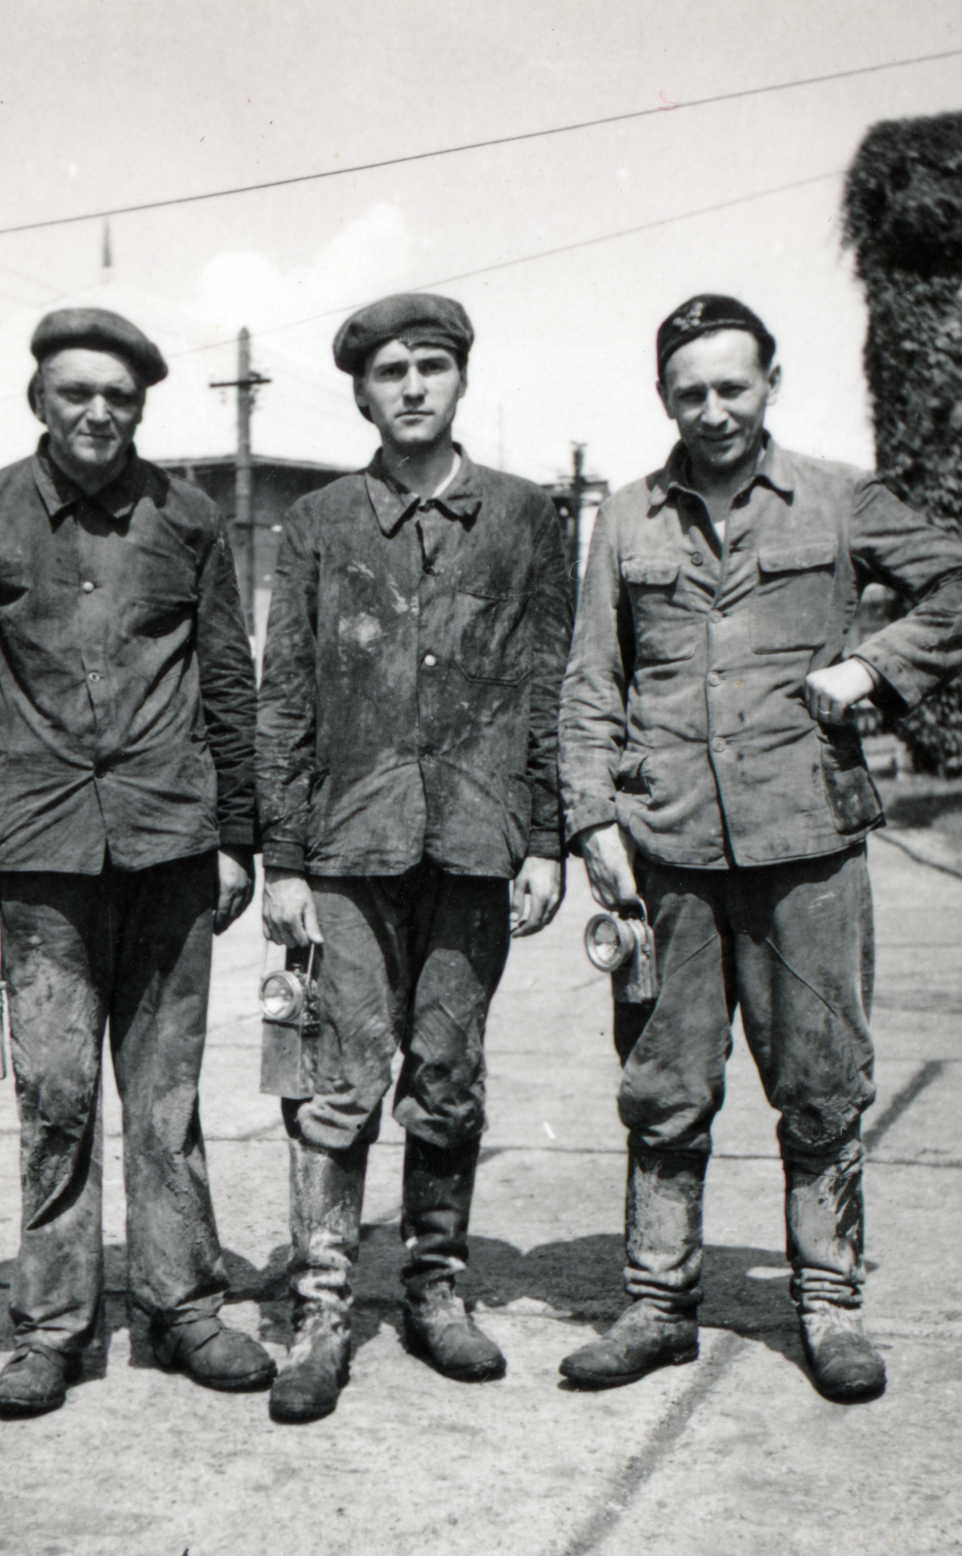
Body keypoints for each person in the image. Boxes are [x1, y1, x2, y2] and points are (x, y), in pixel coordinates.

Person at [557, 294, 962, 1401]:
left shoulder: (838, 496)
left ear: (770, 382)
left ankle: (827, 1303)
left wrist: (872, 667)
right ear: (662, 396)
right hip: (664, 854)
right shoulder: (624, 520)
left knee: (820, 1086)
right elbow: (588, 685)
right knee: (663, 1089)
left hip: (806, 844)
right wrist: (589, 825)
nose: (712, 411)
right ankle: (658, 1304)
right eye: (689, 392)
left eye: (732, 387)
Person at [0, 306, 274, 1418]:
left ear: (140, 408)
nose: (97, 412)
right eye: (76, 391)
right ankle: (54, 1329)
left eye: (118, 397)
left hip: (173, 842)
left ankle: (185, 1311)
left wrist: (237, 839)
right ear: (39, 399)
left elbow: (230, 681)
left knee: (164, 1096)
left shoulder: (188, 518)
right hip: (41, 858)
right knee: (58, 1096)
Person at [257, 292, 575, 1422]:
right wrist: (281, 858)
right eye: (387, 370)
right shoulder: (317, 525)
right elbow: (283, 692)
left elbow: (549, 686)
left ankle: (437, 1291)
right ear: (358, 391)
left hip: (479, 843)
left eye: (429, 366)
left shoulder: (529, 520)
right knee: (339, 1087)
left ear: (459, 381)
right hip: (348, 846)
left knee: (447, 1078)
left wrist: (545, 838)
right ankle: (321, 1311)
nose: (409, 386)